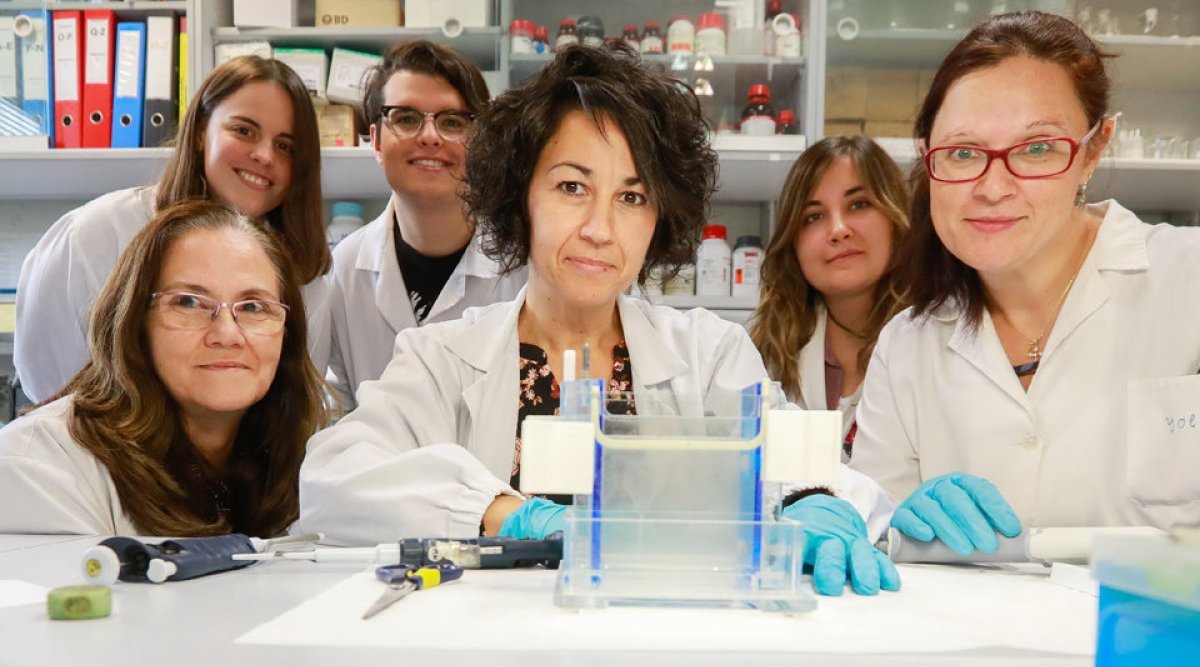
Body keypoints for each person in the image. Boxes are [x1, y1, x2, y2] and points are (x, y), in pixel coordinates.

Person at [297, 45, 896, 597]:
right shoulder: (442, 356)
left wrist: (815, 501)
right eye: (572, 186)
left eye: (632, 197)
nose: (600, 228)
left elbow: (808, 464)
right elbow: (333, 478)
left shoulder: (707, 354)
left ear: (658, 218)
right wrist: (504, 512)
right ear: (520, 198)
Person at [849, 11, 1200, 557]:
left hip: (1163, 636)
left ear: (1093, 150)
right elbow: (873, 535)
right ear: (927, 158)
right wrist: (891, 524)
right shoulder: (907, 346)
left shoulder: (1188, 282)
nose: (992, 187)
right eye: (963, 153)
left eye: (1037, 149)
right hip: (968, 641)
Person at [0, 201, 329, 536]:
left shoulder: (299, 467)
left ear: (288, 334)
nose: (227, 334)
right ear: (134, 322)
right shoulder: (40, 466)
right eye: (188, 302)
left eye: (254, 307)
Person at [15, 55, 331, 403]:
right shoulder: (96, 235)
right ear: (200, 132)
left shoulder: (303, 271)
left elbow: (296, 402)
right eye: (244, 130)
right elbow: (50, 382)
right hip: (99, 452)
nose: (264, 155)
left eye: (285, 146)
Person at [327, 40, 526, 410]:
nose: (430, 136)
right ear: (376, 142)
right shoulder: (345, 269)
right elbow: (336, 407)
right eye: (406, 118)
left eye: (452, 122)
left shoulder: (523, 268)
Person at [749, 136, 909, 459]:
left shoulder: (937, 344)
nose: (838, 229)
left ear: (896, 218)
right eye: (813, 216)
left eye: (858, 204)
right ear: (792, 245)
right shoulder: (767, 354)